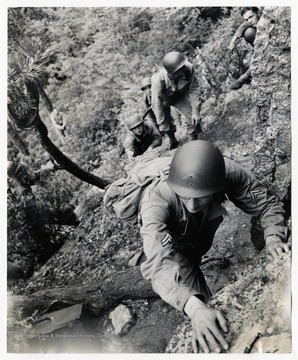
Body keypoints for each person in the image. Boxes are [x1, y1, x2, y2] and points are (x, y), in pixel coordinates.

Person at [139, 140, 290, 353]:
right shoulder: (155, 203)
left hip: (200, 233)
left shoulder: (227, 172)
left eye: (200, 198)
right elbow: (158, 266)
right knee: (203, 306)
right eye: (185, 197)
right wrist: (194, 308)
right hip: (177, 245)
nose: (191, 206)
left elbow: (267, 204)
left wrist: (273, 237)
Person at [151, 51, 203, 142]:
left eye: (183, 68)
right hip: (163, 100)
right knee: (166, 125)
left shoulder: (188, 68)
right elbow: (156, 103)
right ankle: (172, 139)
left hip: (179, 96)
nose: (183, 72)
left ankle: (193, 142)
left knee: (192, 117)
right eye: (179, 71)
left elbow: (194, 89)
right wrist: (161, 122)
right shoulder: (158, 80)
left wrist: (196, 111)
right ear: (171, 73)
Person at [141, 76, 179, 150]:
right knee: (157, 126)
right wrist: (156, 123)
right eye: (145, 89)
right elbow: (149, 114)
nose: (148, 90)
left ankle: (173, 139)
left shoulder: (159, 90)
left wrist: (158, 105)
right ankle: (164, 141)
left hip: (164, 108)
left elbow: (168, 104)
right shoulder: (145, 99)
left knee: (168, 123)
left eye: (149, 87)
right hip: (153, 112)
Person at [228, 7, 261, 90]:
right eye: (247, 19)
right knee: (248, 33)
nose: (249, 21)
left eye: (251, 17)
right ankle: (246, 77)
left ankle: (243, 78)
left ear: (258, 12)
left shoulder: (267, 15)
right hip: (261, 46)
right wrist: (232, 43)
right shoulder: (250, 21)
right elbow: (240, 29)